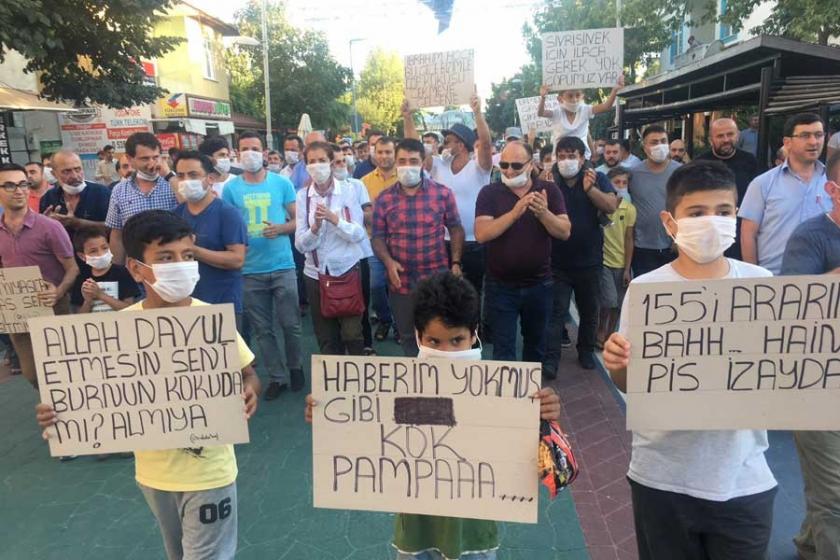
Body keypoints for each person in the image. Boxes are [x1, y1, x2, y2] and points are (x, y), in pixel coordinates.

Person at [36, 209, 260, 560]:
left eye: (188, 256)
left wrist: (250, 389)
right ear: (137, 268)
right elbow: (88, 396)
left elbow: (248, 372)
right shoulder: (118, 330)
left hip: (210, 471)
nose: (182, 265)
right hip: (154, 474)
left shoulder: (209, 320)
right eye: (166, 258)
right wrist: (58, 414)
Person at [304, 271, 562, 560]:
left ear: (473, 333)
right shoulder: (395, 390)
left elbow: (542, 468)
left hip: (474, 532)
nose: (446, 352)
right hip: (417, 531)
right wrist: (331, 418)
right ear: (418, 336)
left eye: (456, 340)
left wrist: (543, 420)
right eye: (434, 341)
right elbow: (370, 439)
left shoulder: (501, 395)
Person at [603, 160, 777, 560]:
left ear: (737, 215)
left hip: (744, 478)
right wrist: (617, 365)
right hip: (662, 479)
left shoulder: (760, 286)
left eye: (723, 212)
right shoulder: (648, 291)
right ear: (670, 221)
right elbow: (633, 384)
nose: (711, 222)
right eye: (697, 214)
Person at [781, 152, 840, 560]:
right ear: (833, 190)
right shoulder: (810, 237)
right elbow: (792, 306)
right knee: (835, 497)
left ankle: (808, 542)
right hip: (818, 385)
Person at [223, 131, 303, 399]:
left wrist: (281, 228)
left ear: (264, 151)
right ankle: (277, 377)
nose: (250, 153)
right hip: (248, 270)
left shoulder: (281, 183)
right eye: (244, 148)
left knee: (290, 323)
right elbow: (229, 227)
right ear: (237, 152)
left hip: (282, 265)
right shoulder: (231, 188)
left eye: (254, 148)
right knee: (262, 329)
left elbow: (297, 221)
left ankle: (295, 367)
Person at [475, 141, 570, 363]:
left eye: (516, 166)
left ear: (530, 165)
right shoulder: (489, 193)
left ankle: (531, 394)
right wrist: (515, 213)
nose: (509, 171)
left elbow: (564, 232)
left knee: (536, 345)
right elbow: (482, 234)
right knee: (503, 348)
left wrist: (544, 213)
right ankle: (506, 397)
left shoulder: (549, 191)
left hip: (539, 285)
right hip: (500, 287)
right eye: (504, 164)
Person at [372, 138, 464, 357]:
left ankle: (440, 384)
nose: (407, 166)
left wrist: (456, 262)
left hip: (436, 280)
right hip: (400, 281)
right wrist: (388, 262)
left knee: (438, 335)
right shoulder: (384, 199)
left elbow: (456, 228)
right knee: (407, 336)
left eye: (413, 161)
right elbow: (377, 237)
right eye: (402, 161)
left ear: (423, 162)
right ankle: (416, 386)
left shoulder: (442, 193)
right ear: (395, 163)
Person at [0, 163, 78, 389]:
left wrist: (59, 291)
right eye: (10, 185)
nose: (18, 190)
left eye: (23, 184)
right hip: (18, 310)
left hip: (53, 306)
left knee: (63, 369)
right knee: (33, 373)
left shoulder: (49, 227)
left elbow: (72, 268)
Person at [544, 136, 618, 373]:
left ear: (582, 157)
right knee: (556, 314)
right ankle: (551, 360)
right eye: (562, 157)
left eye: (571, 156)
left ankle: (586, 352)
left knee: (589, 312)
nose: (566, 161)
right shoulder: (548, 179)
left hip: (590, 261)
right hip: (556, 262)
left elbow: (611, 205)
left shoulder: (596, 177)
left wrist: (590, 190)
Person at [295, 141, 367, 355]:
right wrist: (315, 228)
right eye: (311, 161)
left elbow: (358, 234)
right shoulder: (302, 196)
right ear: (306, 165)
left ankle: (358, 382)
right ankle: (332, 385)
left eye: (322, 160)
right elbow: (301, 244)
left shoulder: (348, 191)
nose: (317, 166)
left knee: (352, 333)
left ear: (331, 162)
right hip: (315, 274)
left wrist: (336, 220)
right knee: (326, 338)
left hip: (346, 270)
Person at [418, 95, 493, 302]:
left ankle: (472, 333)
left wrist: (477, 113)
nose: (444, 145)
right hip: (442, 242)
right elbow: (414, 150)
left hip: (474, 244)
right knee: (444, 295)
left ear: (461, 145)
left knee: (472, 295)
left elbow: (486, 143)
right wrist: (408, 117)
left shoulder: (479, 168)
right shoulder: (439, 165)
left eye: (448, 141)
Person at [739, 113, 831, 275]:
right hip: (774, 280)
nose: (813, 142)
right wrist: (754, 279)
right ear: (787, 142)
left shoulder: (832, 182)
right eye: (804, 135)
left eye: (818, 135)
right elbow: (748, 234)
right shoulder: (763, 184)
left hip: (824, 280)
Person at [172, 151, 247, 328]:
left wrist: (193, 250)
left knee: (231, 354)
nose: (186, 181)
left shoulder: (227, 213)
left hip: (223, 302)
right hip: (188, 302)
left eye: (193, 175)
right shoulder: (176, 215)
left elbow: (237, 259)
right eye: (181, 176)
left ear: (210, 178)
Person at [106, 132, 178, 264]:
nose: (151, 163)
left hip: (172, 262)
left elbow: (191, 203)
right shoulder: (120, 191)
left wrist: (169, 176)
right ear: (130, 158)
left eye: (155, 157)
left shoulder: (174, 184)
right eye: (145, 159)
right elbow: (117, 235)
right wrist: (117, 270)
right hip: (138, 267)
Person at [695, 117, 760, 260]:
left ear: (737, 135)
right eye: (720, 136)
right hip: (710, 232)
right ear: (711, 139)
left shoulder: (750, 161)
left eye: (730, 134)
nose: (726, 139)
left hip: (742, 232)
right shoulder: (699, 164)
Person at [628, 125, 681, 276]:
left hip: (673, 247)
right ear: (645, 148)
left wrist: (679, 239)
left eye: (663, 141)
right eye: (654, 142)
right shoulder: (634, 174)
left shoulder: (681, 172)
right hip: (642, 248)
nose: (660, 145)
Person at [363, 136, 399, 343]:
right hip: (374, 241)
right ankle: (385, 319)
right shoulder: (364, 182)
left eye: (388, 152)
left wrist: (376, 211)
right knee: (376, 285)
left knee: (399, 285)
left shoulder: (405, 177)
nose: (384, 156)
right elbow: (361, 213)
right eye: (380, 152)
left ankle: (400, 325)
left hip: (399, 242)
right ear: (374, 154)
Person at [537, 76, 623, 159]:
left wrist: (615, 90)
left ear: (582, 96)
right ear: (560, 99)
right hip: (561, 158)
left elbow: (606, 106)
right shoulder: (557, 112)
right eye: (570, 96)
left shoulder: (585, 110)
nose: (574, 99)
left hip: (583, 157)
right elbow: (541, 113)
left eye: (577, 95)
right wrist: (543, 97)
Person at [597, 167, 635, 347]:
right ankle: (600, 329)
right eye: (616, 183)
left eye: (624, 183)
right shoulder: (602, 207)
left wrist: (627, 268)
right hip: (603, 260)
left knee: (618, 304)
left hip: (621, 263)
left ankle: (611, 333)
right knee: (608, 300)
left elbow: (629, 238)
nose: (621, 186)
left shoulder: (630, 209)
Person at [40, 149, 111, 238]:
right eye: (66, 171)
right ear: (54, 174)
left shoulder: (101, 193)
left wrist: (77, 223)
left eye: (77, 169)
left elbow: (114, 228)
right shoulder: (48, 199)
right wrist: (45, 223)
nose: (74, 176)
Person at [70, 226, 139, 313]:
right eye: (93, 251)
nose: (101, 254)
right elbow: (78, 318)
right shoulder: (82, 279)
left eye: (104, 248)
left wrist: (100, 295)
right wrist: (88, 301)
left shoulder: (122, 273)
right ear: (82, 256)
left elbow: (130, 309)